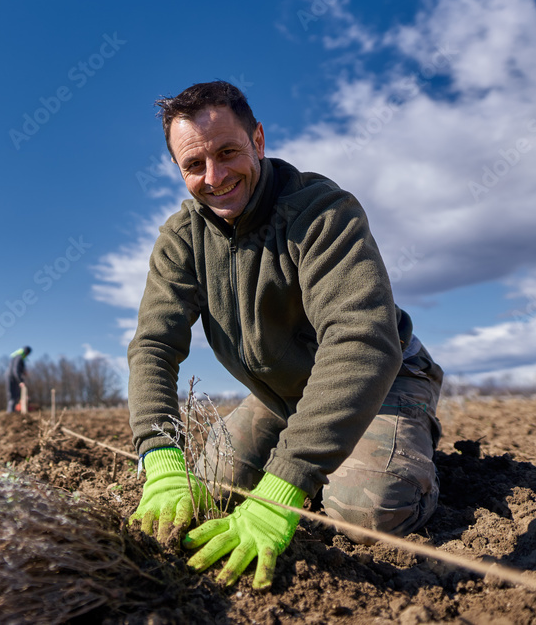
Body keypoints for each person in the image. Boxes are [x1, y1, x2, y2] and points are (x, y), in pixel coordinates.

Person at [127, 81, 444, 590]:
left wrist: (284, 488)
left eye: (228, 152)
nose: (215, 176)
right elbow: (154, 346)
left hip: (383, 382)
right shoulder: (181, 240)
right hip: (282, 394)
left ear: (258, 139)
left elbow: (360, 343)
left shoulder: (322, 213)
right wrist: (160, 456)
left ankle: (414, 457)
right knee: (210, 491)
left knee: (369, 514)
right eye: (194, 165)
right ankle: (321, 457)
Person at [5, 346, 31, 413]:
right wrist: (20, 381)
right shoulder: (19, 357)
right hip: (12, 378)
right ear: (27, 352)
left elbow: (18, 369)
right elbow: (15, 370)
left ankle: (12, 411)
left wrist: (23, 371)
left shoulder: (19, 357)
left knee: (15, 395)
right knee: (12, 395)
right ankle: (10, 413)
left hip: (13, 377)